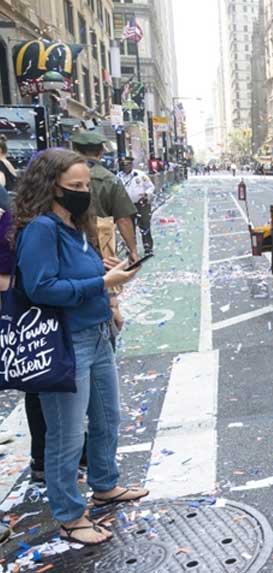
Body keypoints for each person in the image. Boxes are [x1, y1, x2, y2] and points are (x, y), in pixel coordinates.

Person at [12, 148, 148, 546]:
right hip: (65, 342)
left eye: (86, 185)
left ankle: (105, 484)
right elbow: (40, 287)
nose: (84, 192)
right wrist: (100, 284)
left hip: (98, 332)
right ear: (50, 186)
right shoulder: (41, 228)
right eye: (75, 186)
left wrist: (104, 274)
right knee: (67, 435)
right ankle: (70, 515)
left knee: (108, 418)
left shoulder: (75, 224)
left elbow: (73, 271)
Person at [71, 131, 139, 264]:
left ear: (74, 150)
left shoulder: (61, 176)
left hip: (69, 238)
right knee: (106, 279)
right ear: (101, 151)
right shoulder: (110, 179)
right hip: (101, 239)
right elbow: (123, 219)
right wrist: (133, 250)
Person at [118, 157, 155, 255]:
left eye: (128, 164)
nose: (126, 166)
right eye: (124, 164)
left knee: (145, 225)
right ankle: (131, 248)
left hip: (141, 204)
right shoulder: (118, 177)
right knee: (129, 228)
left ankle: (148, 247)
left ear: (131, 165)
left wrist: (146, 194)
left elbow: (151, 187)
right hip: (126, 205)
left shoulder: (140, 175)